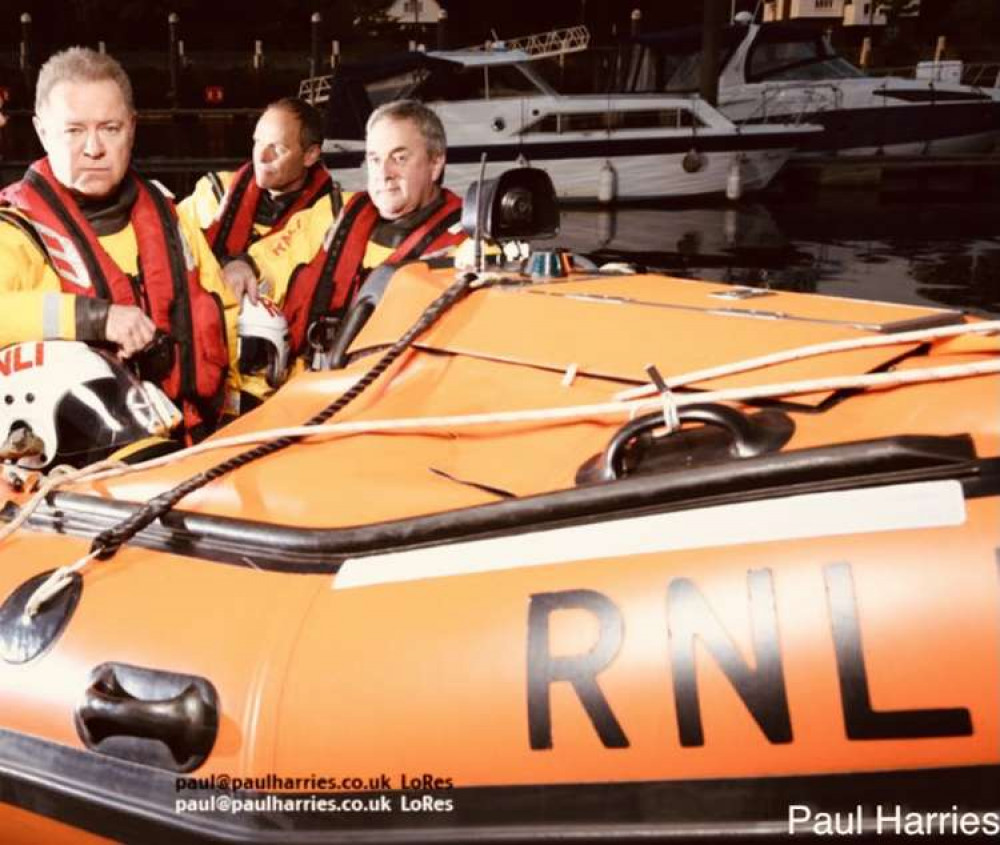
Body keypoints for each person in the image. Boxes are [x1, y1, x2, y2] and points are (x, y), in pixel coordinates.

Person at [0, 47, 239, 439]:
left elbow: (224, 314)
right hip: (78, 477)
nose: (94, 148)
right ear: (43, 132)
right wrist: (96, 318)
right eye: (74, 130)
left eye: (110, 128)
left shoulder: (170, 218)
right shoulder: (16, 229)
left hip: (195, 450)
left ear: (132, 127)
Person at [225, 99, 465, 408]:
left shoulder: (468, 247)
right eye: (375, 159)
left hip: (397, 404)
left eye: (400, 158)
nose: (384, 172)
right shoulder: (336, 214)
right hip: (309, 393)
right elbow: (269, 262)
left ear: (436, 163)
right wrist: (241, 265)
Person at [178, 97, 340, 303]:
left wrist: (246, 265)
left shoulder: (330, 218)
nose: (261, 156)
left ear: (310, 155)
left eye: (278, 148)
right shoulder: (215, 191)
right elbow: (170, 243)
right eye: (258, 142)